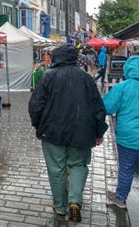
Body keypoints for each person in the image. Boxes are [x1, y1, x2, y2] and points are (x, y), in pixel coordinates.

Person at [29, 45, 107, 223]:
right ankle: (75, 201)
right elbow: (98, 108)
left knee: (56, 169)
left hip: (51, 132)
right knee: (78, 165)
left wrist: (37, 125)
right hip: (82, 132)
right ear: (74, 58)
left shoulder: (47, 76)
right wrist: (99, 131)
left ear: (56, 58)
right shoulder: (87, 79)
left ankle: (60, 206)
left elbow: (35, 105)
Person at [102, 56, 139, 225]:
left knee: (126, 169)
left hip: (129, 139)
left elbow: (107, 108)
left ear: (127, 69)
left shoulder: (123, 87)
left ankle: (121, 198)